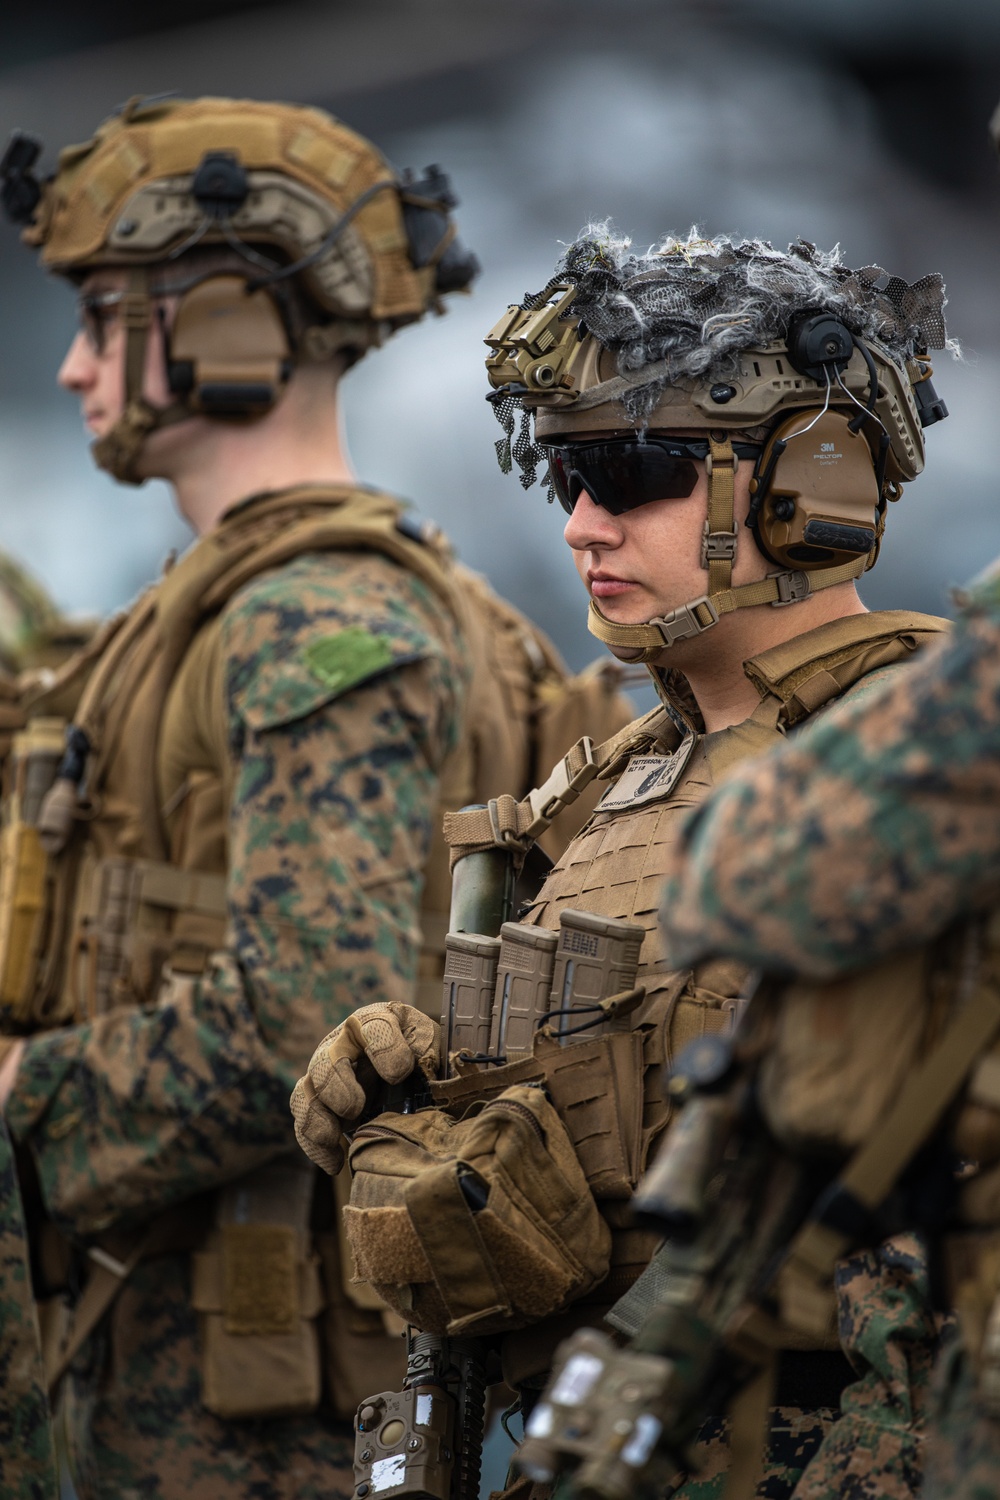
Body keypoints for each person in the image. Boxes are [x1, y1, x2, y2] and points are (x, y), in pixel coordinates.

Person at [0, 95, 628, 1500]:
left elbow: (312, 1009)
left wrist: (21, 1098)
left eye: (105, 320)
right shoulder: (246, 603)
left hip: (246, 1412)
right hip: (193, 1368)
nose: (72, 369)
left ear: (221, 330)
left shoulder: (314, 619)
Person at [293, 226, 953, 1499]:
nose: (585, 526)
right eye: (566, 480)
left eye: (635, 471)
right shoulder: (593, 798)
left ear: (810, 485)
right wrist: (409, 1114)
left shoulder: (924, 766)